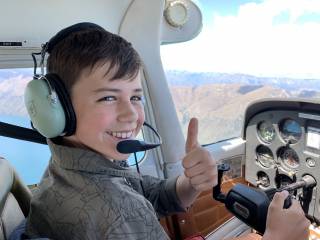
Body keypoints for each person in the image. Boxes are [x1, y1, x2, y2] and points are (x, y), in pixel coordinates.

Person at [24, 23, 310, 240]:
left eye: (136, 97)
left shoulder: (71, 168)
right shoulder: (116, 211)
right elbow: (128, 206)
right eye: (108, 97)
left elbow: (152, 196)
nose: (132, 115)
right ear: (58, 110)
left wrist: (190, 183)